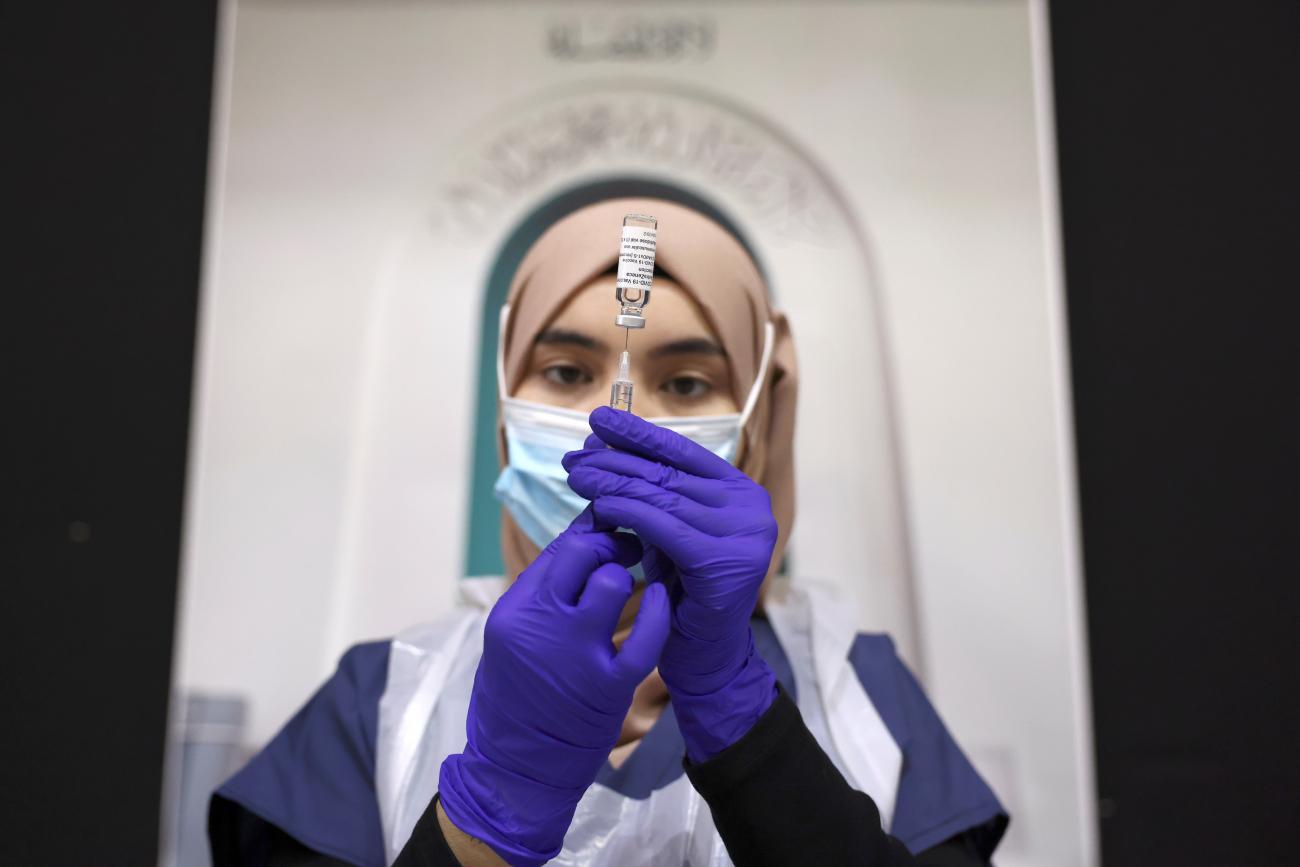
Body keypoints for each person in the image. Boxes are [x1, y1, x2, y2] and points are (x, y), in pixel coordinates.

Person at [209, 198, 1009, 866]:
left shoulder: (855, 685)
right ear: (503, 398)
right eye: (563, 372)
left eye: (688, 382)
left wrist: (742, 717)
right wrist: (492, 799)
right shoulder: (384, 695)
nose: (621, 422)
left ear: (759, 422)